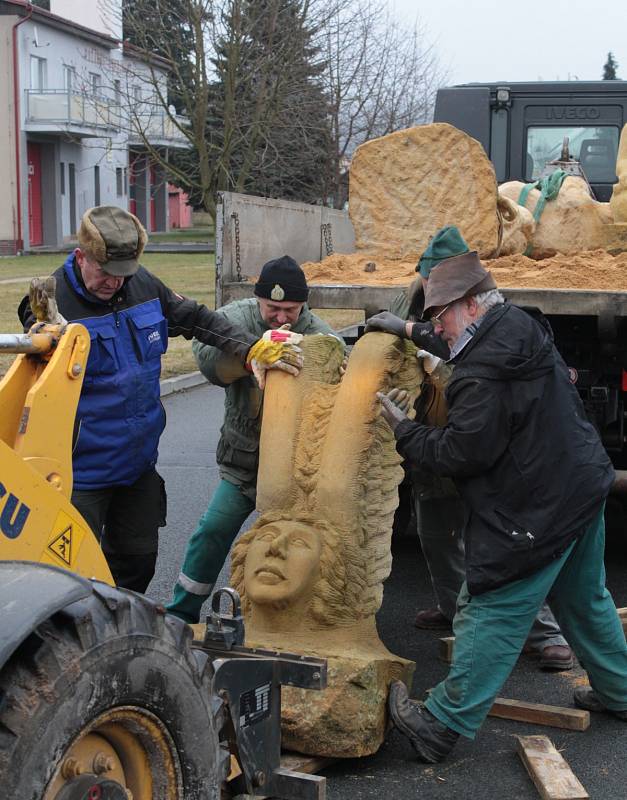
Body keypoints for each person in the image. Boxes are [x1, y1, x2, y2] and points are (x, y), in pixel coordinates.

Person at [375, 251, 626, 763]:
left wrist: (404, 431)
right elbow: (466, 348)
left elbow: (461, 454)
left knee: (489, 603)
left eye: (439, 316)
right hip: (580, 484)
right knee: (584, 599)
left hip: (535, 509)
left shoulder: (480, 378)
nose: (436, 327)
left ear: (469, 305)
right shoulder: (518, 326)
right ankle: (622, 691)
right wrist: (408, 329)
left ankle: (441, 723)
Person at [18, 207, 302, 593]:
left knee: (138, 564)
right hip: (79, 474)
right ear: (81, 257)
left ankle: (127, 635)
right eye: (105, 272)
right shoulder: (51, 304)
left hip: (137, 467)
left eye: (123, 274)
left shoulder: (142, 285)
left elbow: (197, 318)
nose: (115, 283)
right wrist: (43, 335)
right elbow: (31, 378)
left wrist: (251, 349)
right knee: (73, 579)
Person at [367, 226, 574, 671]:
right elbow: (436, 333)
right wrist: (402, 327)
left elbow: (464, 357)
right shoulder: (430, 301)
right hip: (438, 432)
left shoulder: (490, 328)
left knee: (507, 541)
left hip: (472, 441)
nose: (433, 314)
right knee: (436, 528)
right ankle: (455, 607)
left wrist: (407, 428)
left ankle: (543, 635)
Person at [166, 256, 342, 624]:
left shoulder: (322, 336)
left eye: (290, 310)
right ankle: (181, 614)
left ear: (303, 305)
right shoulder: (237, 318)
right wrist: (251, 355)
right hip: (244, 464)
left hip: (299, 472)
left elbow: (343, 376)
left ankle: (305, 623)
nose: (281, 318)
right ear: (258, 300)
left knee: (309, 547)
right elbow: (207, 361)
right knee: (213, 531)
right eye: (272, 308)